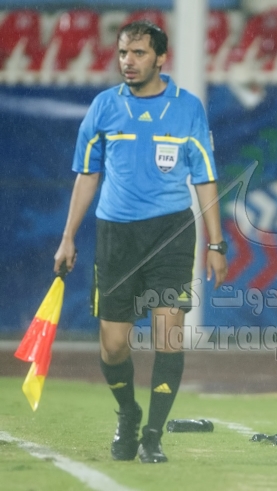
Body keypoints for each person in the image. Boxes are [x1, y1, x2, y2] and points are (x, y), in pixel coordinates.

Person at [53, 20, 228, 464]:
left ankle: (153, 435)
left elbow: (205, 178)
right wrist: (68, 237)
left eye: (138, 53)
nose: (128, 62)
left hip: (171, 233)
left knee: (168, 335)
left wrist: (216, 244)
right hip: (116, 235)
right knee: (113, 345)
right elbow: (87, 174)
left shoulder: (187, 108)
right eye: (123, 53)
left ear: (161, 58)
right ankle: (128, 412)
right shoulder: (103, 107)